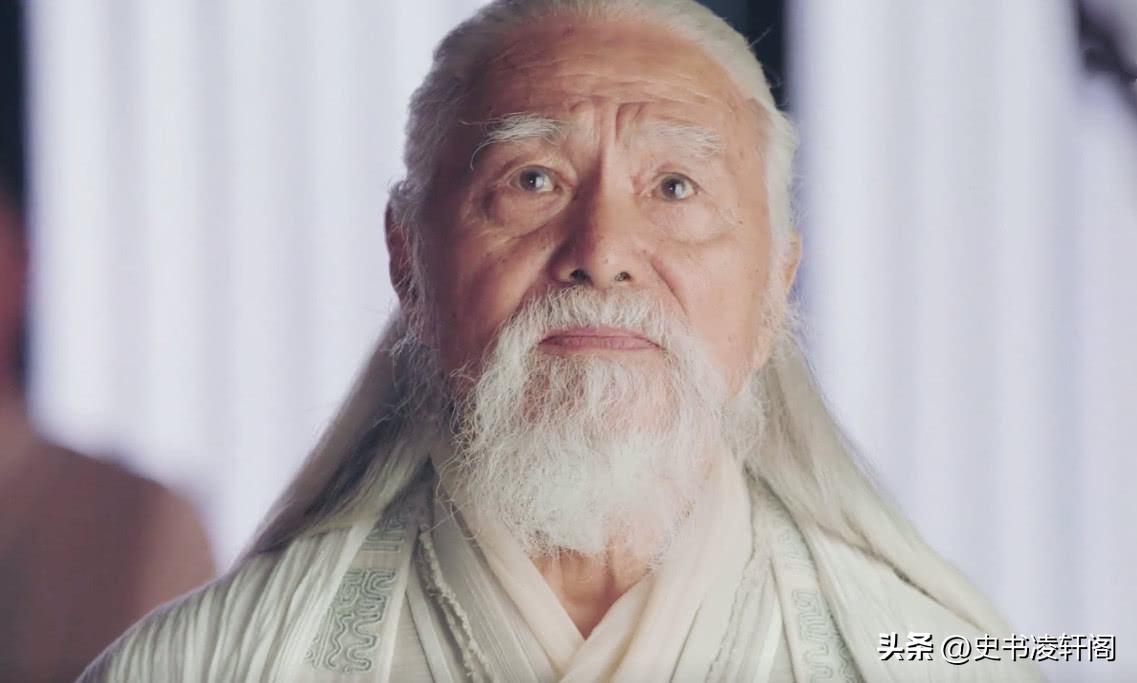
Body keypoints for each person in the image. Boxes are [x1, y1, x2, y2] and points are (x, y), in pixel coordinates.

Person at [82, 1, 1044, 680]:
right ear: (407, 260)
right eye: (532, 179)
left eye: (675, 187)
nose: (602, 252)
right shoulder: (208, 663)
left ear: (774, 286)